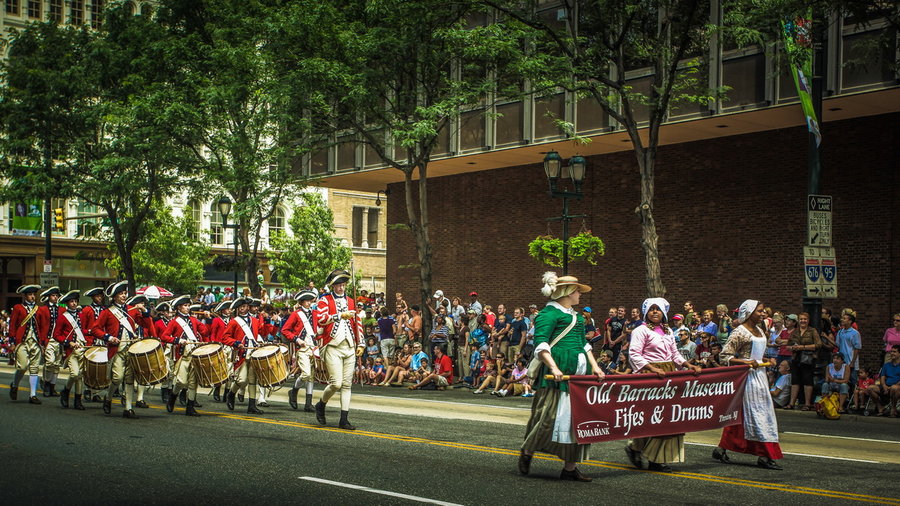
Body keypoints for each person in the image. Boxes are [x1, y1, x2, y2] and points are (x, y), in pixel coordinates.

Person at [519, 272, 603, 482]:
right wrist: (554, 367)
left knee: (578, 420)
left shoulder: (576, 317)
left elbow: (584, 345)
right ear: (567, 292)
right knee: (548, 418)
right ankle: (528, 451)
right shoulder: (548, 314)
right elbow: (541, 344)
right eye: (576, 291)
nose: (579, 295)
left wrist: (596, 367)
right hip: (556, 376)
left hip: (578, 376)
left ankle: (569, 468)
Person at [626, 297, 702, 472]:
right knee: (651, 416)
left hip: (668, 373)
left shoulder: (668, 331)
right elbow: (635, 354)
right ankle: (637, 448)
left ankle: (654, 457)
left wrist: (688, 365)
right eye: (651, 309)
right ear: (646, 312)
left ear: (663, 312)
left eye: (658, 309)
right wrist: (653, 369)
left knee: (666, 417)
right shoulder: (640, 330)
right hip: (649, 375)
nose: (655, 312)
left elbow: (674, 354)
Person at [712, 300, 783, 470]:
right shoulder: (739, 332)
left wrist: (766, 359)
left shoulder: (760, 330)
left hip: (760, 375)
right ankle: (765, 454)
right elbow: (725, 356)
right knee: (752, 413)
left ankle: (723, 448)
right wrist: (747, 362)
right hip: (746, 377)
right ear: (749, 313)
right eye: (759, 311)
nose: (763, 314)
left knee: (758, 413)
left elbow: (759, 354)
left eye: (763, 311)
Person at [314, 269, 365, 430]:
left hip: (349, 346)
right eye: (338, 285)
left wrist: (361, 343)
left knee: (347, 384)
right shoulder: (324, 300)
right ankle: (321, 404)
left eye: (343, 285)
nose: (341, 288)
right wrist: (339, 316)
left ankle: (344, 419)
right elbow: (321, 320)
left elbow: (358, 323)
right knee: (336, 383)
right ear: (333, 286)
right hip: (332, 346)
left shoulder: (351, 301)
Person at [89, 281, 141, 418]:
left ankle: (128, 408)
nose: (124, 296)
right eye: (121, 294)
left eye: (125, 293)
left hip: (130, 349)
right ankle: (109, 397)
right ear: (114, 297)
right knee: (117, 378)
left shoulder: (131, 310)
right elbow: (95, 329)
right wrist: (108, 337)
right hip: (116, 350)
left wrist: (145, 312)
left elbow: (145, 323)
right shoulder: (107, 312)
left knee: (130, 379)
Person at [161, 295, 211, 416]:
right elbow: (164, 337)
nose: (188, 308)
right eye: (185, 306)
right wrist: (177, 340)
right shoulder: (174, 322)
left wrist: (208, 319)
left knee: (193, 383)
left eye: (188, 306)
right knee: (181, 382)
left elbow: (205, 332)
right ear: (179, 307)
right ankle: (173, 397)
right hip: (182, 356)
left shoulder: (194, 320)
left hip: (193, 355)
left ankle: (190, 407)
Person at [222, 297, 265, 414]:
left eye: (245, 306)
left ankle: (252, 406)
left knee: (252, 380)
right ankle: (231, 393)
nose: (243, 308)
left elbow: (264, 332)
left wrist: (273, 322)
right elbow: (225, 338)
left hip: (253, 353)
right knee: (242, 380)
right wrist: (236, 343)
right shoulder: (234, 321)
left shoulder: (255, 321)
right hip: (241, 354)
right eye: (241, 306)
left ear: (248, 307)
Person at [281, 290, 319, 412]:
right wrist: (297, 340)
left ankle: (308, 403)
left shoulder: (315, 313)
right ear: (301, 302)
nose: (309, 302)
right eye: (306, 301)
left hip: (313, 347)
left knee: (312, 376)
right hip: (302, 348)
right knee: (306, 374)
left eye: (310, 300)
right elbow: (285, 330)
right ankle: (294, 391)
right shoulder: (296, 314)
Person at [53, 290, 89, 410]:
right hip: (71, 350)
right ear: (67, 303)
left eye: (75, 301)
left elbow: (83, 330)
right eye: (71, 302)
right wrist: (69, 342)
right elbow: (56, 335)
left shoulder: (81, 315)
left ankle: (78, 401)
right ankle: (66, 391)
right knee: (75, 374)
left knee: (80, 375)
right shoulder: (63, 317)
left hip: (82, 348)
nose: (73, 303)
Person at [9, 285, 45, 404]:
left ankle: (33, 395)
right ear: (25, 296)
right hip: (22, 342)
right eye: (30, 295)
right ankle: (14, 385)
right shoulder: (18, 308)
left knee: (34, 368)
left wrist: (43, 342)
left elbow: (42, 327)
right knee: (22, 366)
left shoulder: (38, 309)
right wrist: (12, 341)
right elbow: (13, 325)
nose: (32, 297)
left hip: (35, 341)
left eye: (34, 294)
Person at [787, 312, 823, 411]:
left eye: (805, 319)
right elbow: (788, 344)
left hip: (807, 359)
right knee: (795, 380)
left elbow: (818, 345)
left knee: (808, 380)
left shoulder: (812, 331)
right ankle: (791, 403)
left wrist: (802, 347)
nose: (803, 321)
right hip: (796, 358)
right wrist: (792, 347)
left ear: (808, 320)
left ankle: (807, 404)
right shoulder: (795, 332)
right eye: (801, 319)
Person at [37, 286, 62, 397]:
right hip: (49, 340)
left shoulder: (62, 309)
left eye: (57, 296)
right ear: (48, 297)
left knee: (56, 365)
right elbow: (39, 326)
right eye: (53, 295)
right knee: (50, 362)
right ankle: (46, 383)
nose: (55, 297)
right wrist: (41, 342)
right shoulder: (42, 310)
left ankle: (52, 387)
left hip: (59, 340)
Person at [208, 300, 232, 401]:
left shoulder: (233, 320)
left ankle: (227, 392)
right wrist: (213, 344)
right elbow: (213, 333)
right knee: (220, 369)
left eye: (230, 309)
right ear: (222, 310)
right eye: (227, 309)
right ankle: (217, 389)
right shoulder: (217, 320)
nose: (230, 310)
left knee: (230, 370)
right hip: (220, 346)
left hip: (230, 347)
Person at [866, 345, 900, 417]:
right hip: (886, 387)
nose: (892, 353)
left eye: (894, 352)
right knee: (870, 388)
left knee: (894, 388)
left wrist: (893, 386)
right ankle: (880, 408)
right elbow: (882, 377)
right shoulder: (886, 365)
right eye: (891, 351)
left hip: (897, 388)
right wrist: (884, 386)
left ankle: (893, 409)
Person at [835, 313, 862, 386]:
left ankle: (854, 396)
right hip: (842, 361)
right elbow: (837, 344)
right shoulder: (840, 332)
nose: (842, 320)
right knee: (843, 381)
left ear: (850, 321)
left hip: (850, 361)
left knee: (853, 381)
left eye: (844, 318)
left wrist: (853, 362)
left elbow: (857, 348)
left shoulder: (855, 333)